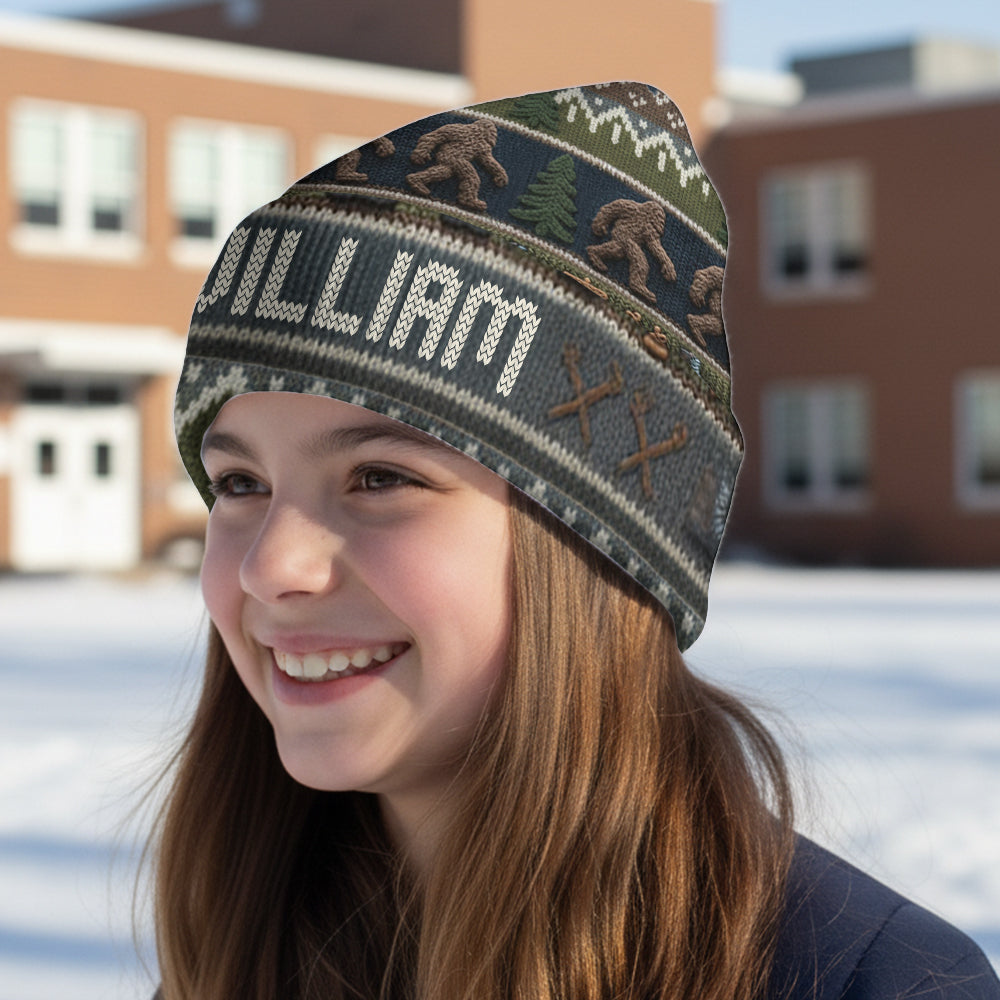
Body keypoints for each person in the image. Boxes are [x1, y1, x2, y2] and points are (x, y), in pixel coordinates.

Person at [156, 83, 999, 1000]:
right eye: (240, 483)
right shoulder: (244, 950)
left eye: (381, 478)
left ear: (598, 544)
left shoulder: (878, 984)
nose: (271, 566)